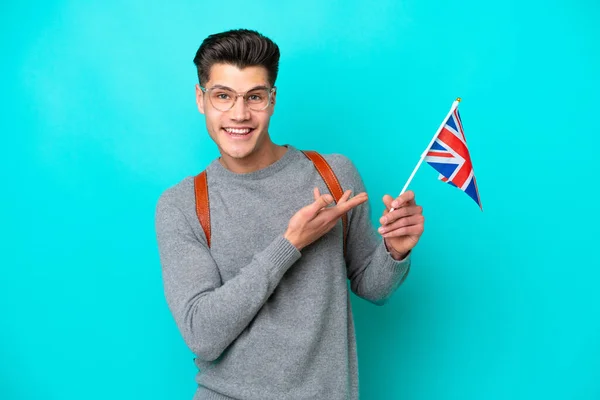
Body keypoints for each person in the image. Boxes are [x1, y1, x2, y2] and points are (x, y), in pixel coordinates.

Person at [155, 28, 425, 400]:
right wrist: (290, 243)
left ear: (272, 99)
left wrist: (395, 251)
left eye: (254, 96)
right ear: (201, 99)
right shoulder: (184, 204)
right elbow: (202, 335)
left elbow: (373, 287)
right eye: (223, 96)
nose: (239, 114)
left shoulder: (332, 175)